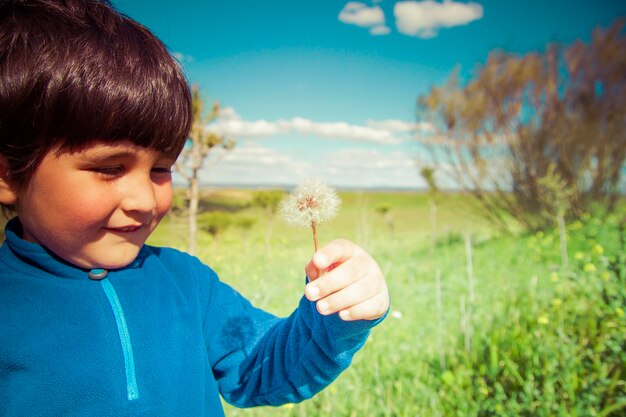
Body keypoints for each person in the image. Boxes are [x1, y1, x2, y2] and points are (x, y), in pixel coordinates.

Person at [0, 0, 389, 416]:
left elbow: (262, 368)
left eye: (162, 169)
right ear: (8, 175)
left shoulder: (187, 283)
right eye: (110, 168)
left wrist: (334, 315)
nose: (146, 201)